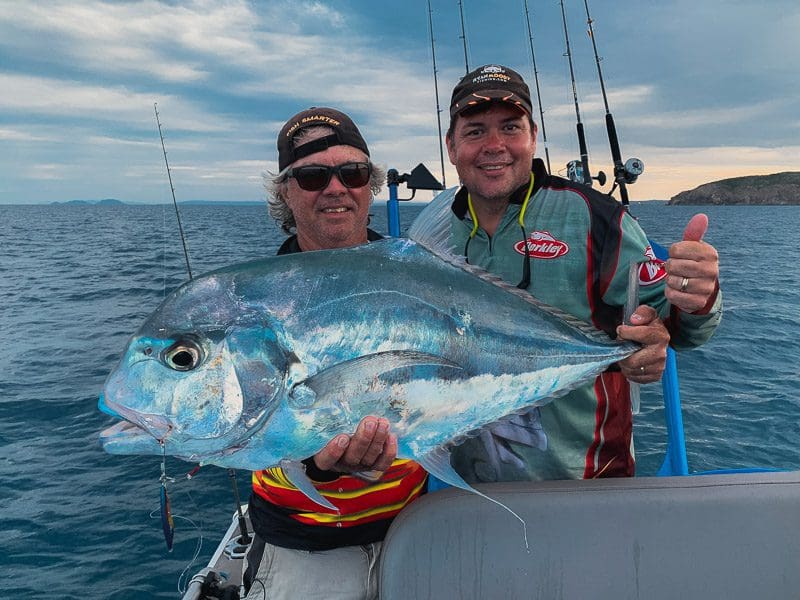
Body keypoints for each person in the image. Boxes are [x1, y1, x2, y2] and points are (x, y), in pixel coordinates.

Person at [443, 64, 722, 483]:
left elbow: (678, 329)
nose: (494, 145)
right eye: (475, 131)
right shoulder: (435, 232)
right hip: (467, 487)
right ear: (451, 145)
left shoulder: (595, 217)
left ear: (533, 137)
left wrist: (697, 296)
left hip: (586, 485)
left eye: (510, 127)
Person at [242, 107, 423, 600]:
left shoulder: (421, 276)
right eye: (313, 175)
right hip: (306, 548)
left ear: (371, 184)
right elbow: (246, 431)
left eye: (353, 172)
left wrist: (653, 323)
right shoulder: (258, 305)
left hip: (423, 527)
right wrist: (314, 464)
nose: (336, 187)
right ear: (285, 192)